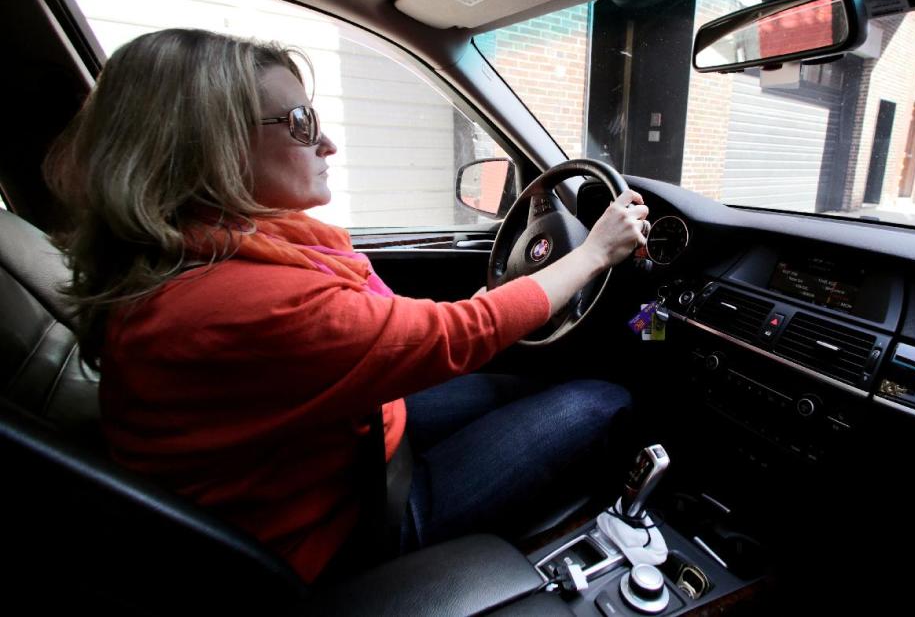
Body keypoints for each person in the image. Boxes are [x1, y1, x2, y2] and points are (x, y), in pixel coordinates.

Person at [43, 29, 650, 583]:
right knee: (604, 400)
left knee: (524, 387)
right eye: (300, 123)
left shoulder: (206, 254)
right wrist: (596, 250)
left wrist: (480, 310)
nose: (327, 143)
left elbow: (397, 330)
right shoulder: (235, 302)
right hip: (342, 522)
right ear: (210, 146)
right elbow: (458, 335)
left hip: (330, 445)